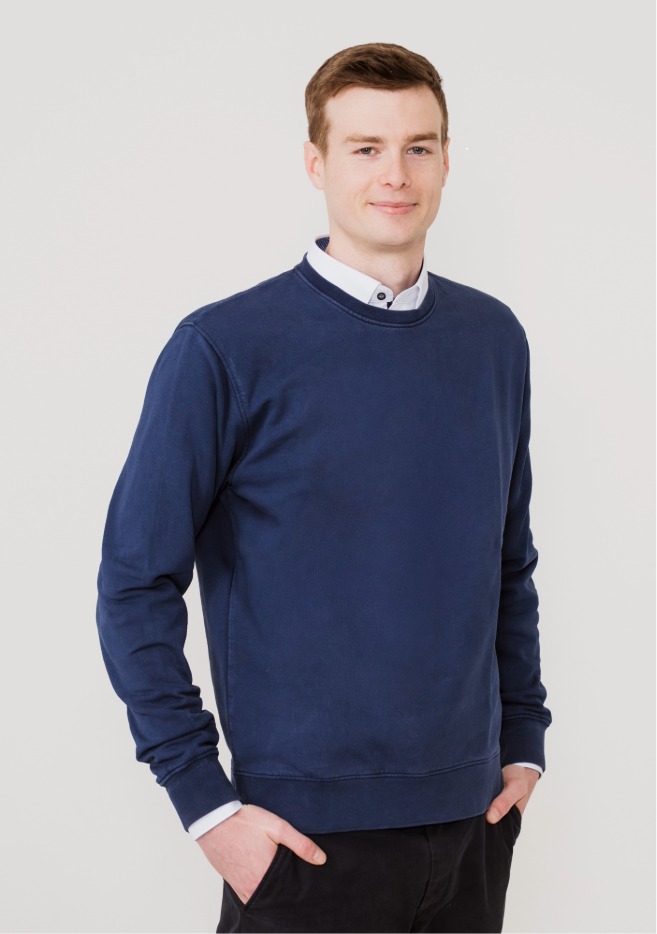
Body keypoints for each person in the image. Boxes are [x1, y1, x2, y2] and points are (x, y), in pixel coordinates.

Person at [96, 42, 552, 933]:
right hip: (300, 842)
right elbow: (133, 581)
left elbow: (507, 559)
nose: (395, 174)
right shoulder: (224, 348)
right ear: (316, 163)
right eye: (365, 148)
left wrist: (523, 744)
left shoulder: (492, 339)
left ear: (446, 161)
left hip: (471, 824)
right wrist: (205, 805)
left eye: (418, 147)